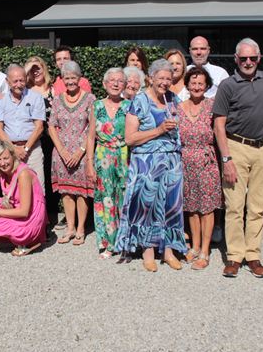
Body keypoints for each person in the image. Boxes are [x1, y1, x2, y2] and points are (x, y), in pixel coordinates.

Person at [213, 38, 263, 279]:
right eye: (243, 58)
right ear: (236, 59)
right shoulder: (227, 85)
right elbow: (219, 125)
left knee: (258, 207)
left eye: (252, 58)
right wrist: (226, 159)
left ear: (259, 58)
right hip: (236, 147)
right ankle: (234, 256)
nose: (248, 62)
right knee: (235, 206)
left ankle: (253, 255)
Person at [114, 59, 186, 272]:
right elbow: (130, 138)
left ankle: (169, 251)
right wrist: (159, 130)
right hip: (147, 162)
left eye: (168, 78)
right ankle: (148, 251)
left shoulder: (173, 99)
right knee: (148, 207)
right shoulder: (140, 101)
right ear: (151, 78)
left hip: (171, 161)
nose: (165, 82)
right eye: (161, 78)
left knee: (171, 206)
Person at [178, 66, 222, 270]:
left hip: (206, 161)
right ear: (187, 85)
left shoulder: (213, 106)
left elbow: (221, 132)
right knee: (191, 207)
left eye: (200, 84)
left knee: (206, 208)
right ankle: (194, 246)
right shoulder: (178, 108)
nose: (196, 87)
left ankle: (205, 250)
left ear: (207, 86)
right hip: (185, 160)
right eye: (193, 83)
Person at [48, 61, 95, 245]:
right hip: (61, 154)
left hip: (82, 153)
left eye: (73, 78)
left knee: (81, 191)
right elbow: (51, 126)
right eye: (66, 78)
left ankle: (81, 228)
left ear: (80, 78)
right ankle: (70, 228)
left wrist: (81, 150)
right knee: (66, 191)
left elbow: (92, 127)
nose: (70, 82)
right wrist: (61, 150)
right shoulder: (58, 99)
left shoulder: (90, 99)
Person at [86, 67, 130, 258]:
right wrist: (88, 162)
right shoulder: (96, 105)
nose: (115, 83)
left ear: (125, 85)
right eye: (111, 80)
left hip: (124, 155)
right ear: (104, 84)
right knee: (105, 198)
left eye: (120, 81)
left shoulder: (130, 105)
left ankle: (124, 241)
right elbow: (90, 137)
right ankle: (107, 243)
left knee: (124, 197)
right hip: (102, 155)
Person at [0, 65, 46, 188]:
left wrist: (26, 149)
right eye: (15, 81)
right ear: (7, 82)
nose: (19, 84)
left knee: (37, 187)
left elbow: (39, 127)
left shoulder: (36, 97)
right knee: (13, 188)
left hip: (33, 150)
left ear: (26, 79)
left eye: (21, 80)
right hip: (10, 151)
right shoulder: (1, 100)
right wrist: (14, 149)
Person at [25, 55, 58, 230]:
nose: (36, 71)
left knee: (52, 175)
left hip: (53, 138)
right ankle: (37, 213)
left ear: (44, 68)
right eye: (32, 69)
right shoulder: (25, 90)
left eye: (38, 67)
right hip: (34, 139)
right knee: (38, 177)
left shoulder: (53, 90)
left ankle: (51, 214)